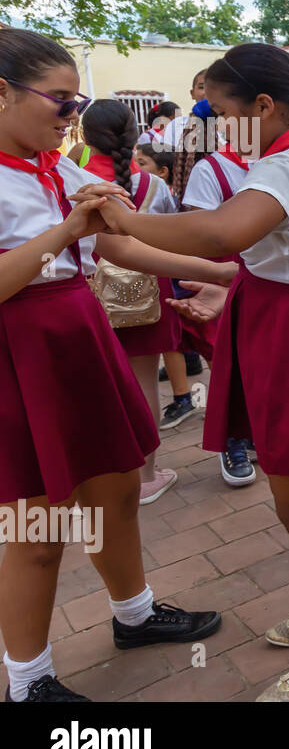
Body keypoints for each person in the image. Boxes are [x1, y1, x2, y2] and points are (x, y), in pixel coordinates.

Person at [95, 41, 289, 702]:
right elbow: (246, 252)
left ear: (263, 106)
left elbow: (219, 234)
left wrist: (122, 220)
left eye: (221, 111)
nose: (213, 123)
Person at [0, 27, 227, 701]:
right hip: (21, 351)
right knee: (38, 527)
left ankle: (134, 612)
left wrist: (217, 270)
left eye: (78, 102)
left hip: (77, 334)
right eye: (61, 101)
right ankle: (27, 679)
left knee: (116, 490)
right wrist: (69, 230)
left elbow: (120, 247)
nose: (72, 116)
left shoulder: (54, 167)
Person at [82, 100, 183, 506]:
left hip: (89, 292)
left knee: (97, 382)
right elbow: (170, 234)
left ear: (87, 137)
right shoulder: (153, 186)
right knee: (144, 380)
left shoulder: (74, 181)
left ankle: (103, 472)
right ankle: (146, 474)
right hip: (145, 291)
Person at [178, 101, 257, 486]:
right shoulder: (211, 169)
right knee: (225, 360)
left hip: (270, 272)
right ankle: (232, 439)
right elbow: (199, 233)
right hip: (223, 274)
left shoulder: (283, 161)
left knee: (262, 355)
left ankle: (255, 428)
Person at [134, 143, 199, 431]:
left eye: (143, 162)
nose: (139, 167)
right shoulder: (154, 186)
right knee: (168, 344)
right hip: (161, 272)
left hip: (163, 273)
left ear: (163, 170)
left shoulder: (151, 186)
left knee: (178, 341)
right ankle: (183, 395)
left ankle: (186, 396)